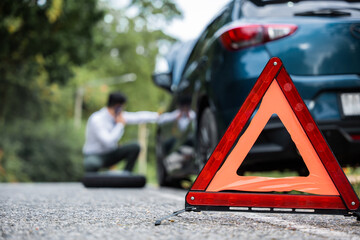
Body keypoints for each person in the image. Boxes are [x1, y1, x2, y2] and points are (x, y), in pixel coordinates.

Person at [83, 92, 159, 174]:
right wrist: (120, 125)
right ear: (117, 106)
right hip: (95, 155)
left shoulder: (119, 116)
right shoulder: (97, 119)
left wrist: (159, 116)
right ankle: (94, 179)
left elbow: (138, 117)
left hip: (111, 154)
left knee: (135, 147)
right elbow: (107, 142)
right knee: (91, 164)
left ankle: (126, 175)